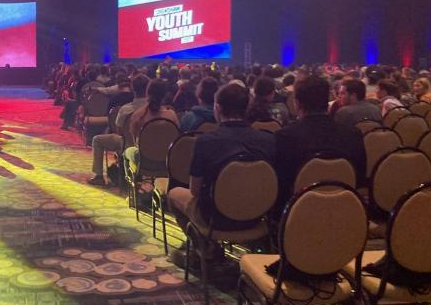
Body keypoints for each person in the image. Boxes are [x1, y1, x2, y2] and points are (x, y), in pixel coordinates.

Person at [168, 83, 276, 240]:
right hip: (257, 217)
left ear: (217, 108)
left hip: (215, 219)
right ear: (246, 108)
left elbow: (195, 190)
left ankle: (205, 249)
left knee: (173, 194)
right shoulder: (268, 140)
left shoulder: (206, 141)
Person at [274, 75, 366, 215]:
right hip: (344, 210)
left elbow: (280, 186)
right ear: (327, 101)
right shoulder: (353, 134)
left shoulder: (285, 137)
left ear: (297, 103)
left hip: (298, 213)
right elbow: (359, 180)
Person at [87, 74, 149, 186]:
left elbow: (119, 132)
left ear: (133, 89)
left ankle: (99, 176)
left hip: (129, 147)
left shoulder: (125, 110)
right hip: (153, 149)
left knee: (97, 140)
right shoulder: (163, 111)